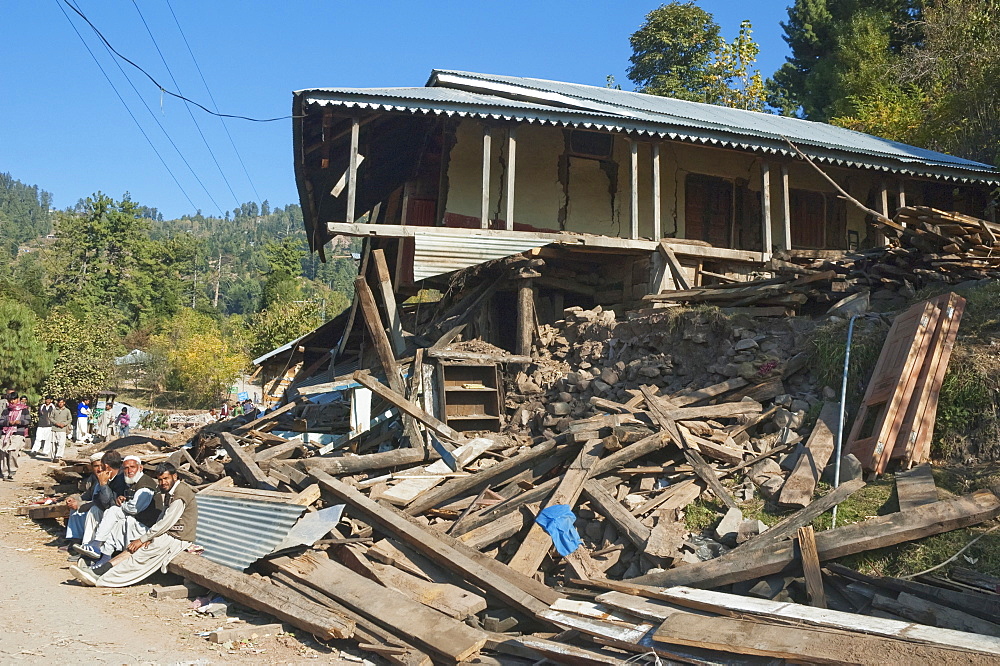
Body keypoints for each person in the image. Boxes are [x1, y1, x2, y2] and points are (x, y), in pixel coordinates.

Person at [71, 462, 198, 586]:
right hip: (166, 534)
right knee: (131, 549)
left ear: (174, 477)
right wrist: (149, 537)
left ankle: (104, 579)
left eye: (166, 479)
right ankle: (99, 571)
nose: (163, 483)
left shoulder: (180, 494)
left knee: (139, 555)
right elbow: (162, 517)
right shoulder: (170, 492)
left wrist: (144, 539)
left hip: (177, 538)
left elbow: (166, 523)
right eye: (160, 480)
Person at [73, 455, 158, 570]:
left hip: (146, 526)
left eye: (132, 467)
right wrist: (124, 500)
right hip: (136, 520)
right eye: (126, 468)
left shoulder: (145, 485)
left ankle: (100, 551)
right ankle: (99, 550)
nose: (129, 471)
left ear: (140, 468)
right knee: (112, 515)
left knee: (116, 517)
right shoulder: (130, 482)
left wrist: (120, 502)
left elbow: (134, 508)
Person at [63, 452, 105, 550]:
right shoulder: (93, 478)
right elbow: (87, 495)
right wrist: (74, 499)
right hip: (92, 505)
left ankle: (88, 546)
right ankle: (75, 541)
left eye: (101, 466)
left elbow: (101, 501)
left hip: (102, 509)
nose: (99, 469)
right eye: (96, 466)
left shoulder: (108, 478)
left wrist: (80, 504)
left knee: (89, 510)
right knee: (74, 509)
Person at [1, 395, 30, 481]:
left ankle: (12, 471)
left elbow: (28, 421)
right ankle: (4, 472)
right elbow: (1, 421)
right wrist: (8, 422)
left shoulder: (24, 410)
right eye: (10, 400)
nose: (12, 401)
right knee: (3, 452)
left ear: (17, 399)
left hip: (18, 432)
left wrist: (19, 422)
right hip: (5, 433)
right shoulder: (6, 410)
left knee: (12, 450)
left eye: (14, 399)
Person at [48, 398, 72, 463]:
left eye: (61, 402)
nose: (60, 403)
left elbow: (70, 419)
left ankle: (58, 456)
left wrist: (64, 424)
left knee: (61, 443)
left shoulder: (67, 411)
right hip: (54, 429)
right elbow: (50, 418)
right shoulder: (54, 410)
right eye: (59, 402)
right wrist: (56, 423)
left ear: (64, 403)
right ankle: (53, 457)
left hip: (62, 429)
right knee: (53, 443)